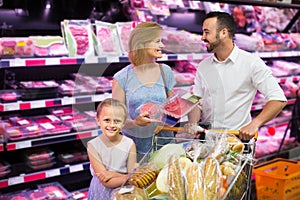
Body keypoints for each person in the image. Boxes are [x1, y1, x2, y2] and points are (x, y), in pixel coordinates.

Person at [187, 11, 287, 140]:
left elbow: (278, 99)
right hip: (207, 141)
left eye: (207, 32)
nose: (202, 37)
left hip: (237, 142)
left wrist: (255, 124)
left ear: (223, 33)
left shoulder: (251, 63)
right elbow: (196, 99)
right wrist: (193, 123)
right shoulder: (203, 66)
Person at [112, 22, 176, 161]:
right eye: (157, 41)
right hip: (136, 153)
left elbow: (174, 107)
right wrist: (135, 123)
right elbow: (115, 121)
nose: (162, 46)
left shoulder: (165, 71)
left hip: (166, 149)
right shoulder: (122, 77)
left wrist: (185, 107)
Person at [87, 98, 137, 200]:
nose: (112, 125)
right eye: (107, 120)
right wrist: (125, 177)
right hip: (100, 192)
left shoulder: (129, 144)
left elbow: (133, 177)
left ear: (123, 123)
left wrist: (115, 174)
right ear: (98, 120)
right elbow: (106, 182)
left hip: (122, 192)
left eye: (117, 121)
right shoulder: (93, 146)